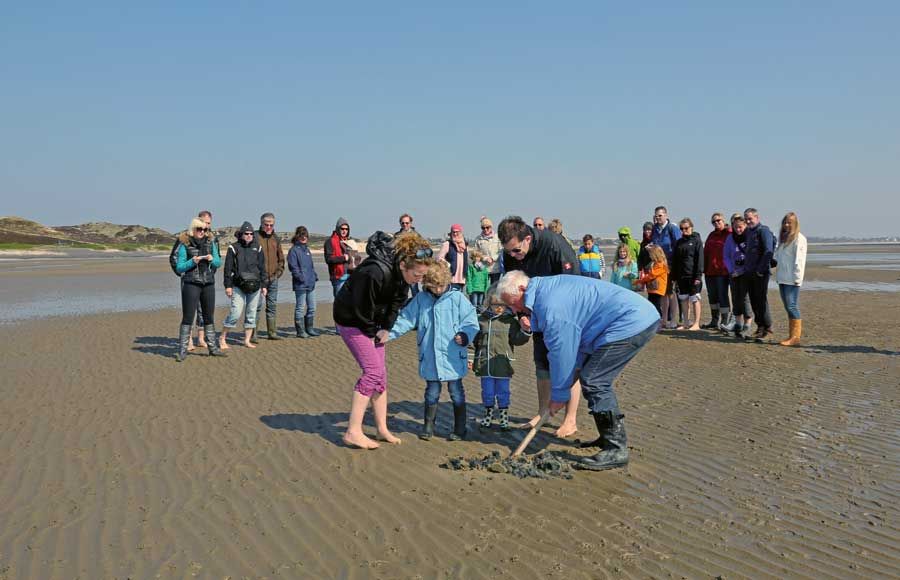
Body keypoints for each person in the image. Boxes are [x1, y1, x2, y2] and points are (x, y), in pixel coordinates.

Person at [497, 271, 659, 471]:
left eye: (513, 303)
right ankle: (607, 438)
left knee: (595, 380)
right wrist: (566, 382)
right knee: (590, 375)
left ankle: (616, 448)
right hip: (621, 320)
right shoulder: (543, 291)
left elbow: (561, 354)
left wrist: (559, 395)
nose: (514, 310)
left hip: (631, 321)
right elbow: (576, 349)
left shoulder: (550, 307)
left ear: (522, 289)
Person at [333, 231, 434, 449]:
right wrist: (370, 335)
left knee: (381, 375)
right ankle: (352, 431)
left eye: (423, 276)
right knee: (372, 372)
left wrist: (386, 328)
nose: (420, 280)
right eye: (417, 275)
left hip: (374, 322)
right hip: (350, 319)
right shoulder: (374, 272)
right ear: (403, 265)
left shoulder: (404, 276)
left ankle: (381, 429)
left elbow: (396, 302)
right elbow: (362, 309)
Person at [498, 215, 581, 438]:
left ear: (527, 238)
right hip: (535, 311)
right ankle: (542, 412)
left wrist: (565, 317)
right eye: (509, 252)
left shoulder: (554, 244)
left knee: (568, 364)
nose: (514, 256)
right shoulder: (511, 254)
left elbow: (574, 282)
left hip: (563, 314)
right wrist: (521, 317)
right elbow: (513, 283)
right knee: (542, 363)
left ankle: (570, 420)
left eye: (516, 250)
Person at [388, 261, 479, 441]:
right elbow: (405, 319)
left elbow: (471, 322)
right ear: (426, 284)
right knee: (431, 392)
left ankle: (460, 428)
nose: (437, 290)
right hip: (430, 355)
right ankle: (428, 426)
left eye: (441, 285)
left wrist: (465, 335)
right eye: (433, 286)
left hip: (453, 355)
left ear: (447, 281)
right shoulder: (421, 299)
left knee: (456, 392)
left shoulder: (457, 298)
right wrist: (387, 334)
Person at [471, 288, 529, 430]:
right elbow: (474, 342)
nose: (499, 308)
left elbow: (517, 340)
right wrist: (471, 358)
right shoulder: (481, 321)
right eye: (495, 305)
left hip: (503, 363)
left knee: (503, 392)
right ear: (489, 304)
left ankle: (504, 419)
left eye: (502, 305)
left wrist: (526, 331)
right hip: (485, 363)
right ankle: (488, 416)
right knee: (487, 392)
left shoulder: (510, 322)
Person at [173, 218, 225, 361]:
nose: (202, 232)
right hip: (191, 283)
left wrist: (211, 259)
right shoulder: (185, 244)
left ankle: (212, 348)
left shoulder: (211, 243)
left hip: (208, 283)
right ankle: (182, 350)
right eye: (199, 229)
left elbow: (218, 262)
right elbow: (179, 267)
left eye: (205, 229)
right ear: (193, 229)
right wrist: (192, 261)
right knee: (188, 317)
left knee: (209, 317)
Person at [220, 222, 268, 349]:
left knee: (251, 313)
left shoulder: (258, 247)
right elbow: (227, 269)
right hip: (238, 286)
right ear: (241, 234)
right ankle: (222, 337)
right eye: (246, 234)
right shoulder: (233, 248)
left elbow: (262, 268)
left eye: (251, 233)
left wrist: (264, 285)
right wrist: (228, 286)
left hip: (255, 286)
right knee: (235, 312)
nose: (249, 236)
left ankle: (247, 340)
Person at [772, 212, 807, 346]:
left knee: (792, 306)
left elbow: (800, 260)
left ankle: (795, 337)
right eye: (785, 222)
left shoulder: (799, 238)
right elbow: (779, 258)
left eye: (789, 222)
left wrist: (797, 278)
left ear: (795, 224)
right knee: (788, 306)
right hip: (782, 278)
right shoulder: (784, 239)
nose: (786, 224)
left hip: (792, 279)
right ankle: (792, 335)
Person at [743, 208, 776, 341]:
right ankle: (760, 327)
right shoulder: (749, 232)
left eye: (750, 218)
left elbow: (768, 251)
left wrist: (760, 270)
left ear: (757, 217)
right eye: (746, 219)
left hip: (761, 272)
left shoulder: (764, 231)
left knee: (761, 300)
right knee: (754, 300)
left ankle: (767, 328)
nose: (748, 221)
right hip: (749, 272)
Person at [252, 212, 285, 342]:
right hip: (259, 280)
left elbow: (281, 259)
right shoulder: (255, 237)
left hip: (273, 279)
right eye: (266, 225)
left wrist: (278, 274)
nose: (269, 227)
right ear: (261, 224)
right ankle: (253, 334)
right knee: (256, 307)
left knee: (271, 306)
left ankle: (272, 332)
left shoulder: (276, 239)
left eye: (271, 225)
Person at [186, 210, 216, 351]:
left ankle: (202, 338)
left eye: (208, 224)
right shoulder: (185, 239)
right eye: (203, 223)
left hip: (207, 279)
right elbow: (174, 259)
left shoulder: (211, 239)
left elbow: (217, 260)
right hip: (190, 280)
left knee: (204, 312)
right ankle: (189, 340)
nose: (206, 227)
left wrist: (212, 267)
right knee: (190, 311)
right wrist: (184, 273)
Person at [723, 215, 755, 339]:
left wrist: (742, 270)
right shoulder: (730, 238)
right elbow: (725, 256)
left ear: (745, 226)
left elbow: (752, 256)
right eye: (736, 227)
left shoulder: (749, 237)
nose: (738, 229)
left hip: (746, 272)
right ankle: (737, 323)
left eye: (740, 227)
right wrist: (732, 270)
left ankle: (747, 325)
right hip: (733, 273)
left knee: (745, 298)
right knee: (736, 298)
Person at [651, 206, 682, 329]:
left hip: (670, 265)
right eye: (656, 215)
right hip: (660, 266)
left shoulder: (672, 228)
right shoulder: (655, 229)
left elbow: (679, 247)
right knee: (662, 292)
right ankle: (664, 320)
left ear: (666, 215)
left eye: (660, 215)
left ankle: (673, 320)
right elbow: (655, 245)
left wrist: (674, 265)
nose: (658, 218)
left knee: (671, 293)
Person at [287, 225, 320, 338]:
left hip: (311, 283)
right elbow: (293, 268)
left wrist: (314, 276)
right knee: (300, 307)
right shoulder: (293, 251)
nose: (304, 237)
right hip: (300, 284)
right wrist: (301, 278)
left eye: (305, 235)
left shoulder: (307, 250)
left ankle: (309, 328)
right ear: (297, 236)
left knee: (312, 307)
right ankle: (300, 331)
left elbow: (311, 266)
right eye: (302, 235)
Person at [672, 218, 704, 330]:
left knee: (695, 299)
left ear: (691, 227)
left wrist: (698, 276)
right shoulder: (679, 242)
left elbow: (700, 260)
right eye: (681, 229)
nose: (684, 230)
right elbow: (675, 260)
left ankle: (696, 323)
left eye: (686, 228)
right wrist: (674, 276)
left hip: (693, 276)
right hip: (681, 276)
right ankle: (686, 322)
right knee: (683, 299)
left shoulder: (697, 241)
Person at [703, 213, 733, 330]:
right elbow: (706, 252)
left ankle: (724, 321)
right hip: (710, 271)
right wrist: (703, 269)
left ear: (723, 220)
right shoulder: (711, 235)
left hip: (723, 271)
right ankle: (714, 320)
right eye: (714, 222)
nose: (716, 223)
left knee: (722, 295)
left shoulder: (729, 234)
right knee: (712, 296)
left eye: (718, 220)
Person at [636, 245, 669, 318]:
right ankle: (655, 319)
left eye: (650, 254)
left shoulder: (661, 264)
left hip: (657, 289)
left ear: (655, 254)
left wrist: (640, 280)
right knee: (652, 304)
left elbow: (652, 275)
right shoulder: (654, 264)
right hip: (652, 289)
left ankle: (660, 319)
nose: (649, 256)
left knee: (656, 305)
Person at [325, 217, 354, 297]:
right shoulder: (330, 242)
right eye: (342, 228)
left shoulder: (349, 242)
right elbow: (329, 259)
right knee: (339, 303)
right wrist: (343, 258)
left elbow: (354, 259)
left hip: (350, 276)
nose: (344, 231)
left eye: (346, 229)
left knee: (350, 304)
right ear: (338, 228)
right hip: (338, 277)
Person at [437, 224, 468, 292]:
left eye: (457, 232)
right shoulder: (447, 244)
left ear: (461, 232)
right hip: (451, 277)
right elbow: (439, 258)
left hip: (462, 278)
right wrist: (448, 265)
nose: (455, 233)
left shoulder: (464, 245)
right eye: (453, 232)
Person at [474, 217, 503, 284]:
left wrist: (492, 258)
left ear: (491, 227)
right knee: (483, 289)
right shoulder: (478, 239)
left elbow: (501, 251)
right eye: (483, 228)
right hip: (483, 268)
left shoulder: (497, 237)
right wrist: (485, 258)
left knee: (494, 290)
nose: (485, 229)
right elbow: (476, 253)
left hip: (495, 269)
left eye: (487, 227)